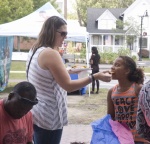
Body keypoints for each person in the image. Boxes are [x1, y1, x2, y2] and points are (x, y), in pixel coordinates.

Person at [26, 16, 112, 144]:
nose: (65, 37)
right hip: (50, 118)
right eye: (63, 33)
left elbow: (48, 74)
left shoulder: (35, 49)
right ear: (51, 32)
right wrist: (95, 76)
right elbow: (69, 86)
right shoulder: (50, 53)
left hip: (38, 113)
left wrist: (69, 71)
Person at [107, 56, 148, 144]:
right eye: (113, 64)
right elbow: (110, 117)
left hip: (139, 139)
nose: (112, 67)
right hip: (121, 138)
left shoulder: (138, 89)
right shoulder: (111, 92)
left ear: (127, 70)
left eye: (117, 65)